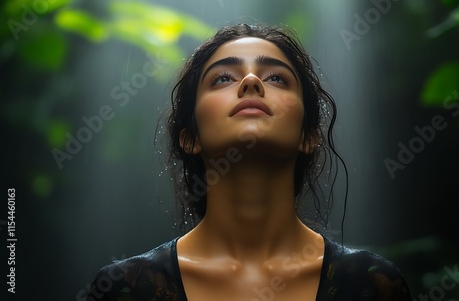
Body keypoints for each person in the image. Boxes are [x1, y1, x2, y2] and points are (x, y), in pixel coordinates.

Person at [86, 23, 412, 301]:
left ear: (308, 136)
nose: (251, 82)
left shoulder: (372, 285)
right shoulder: (124, 289)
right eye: (223, 78)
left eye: (276, 78)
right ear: (190, 138)